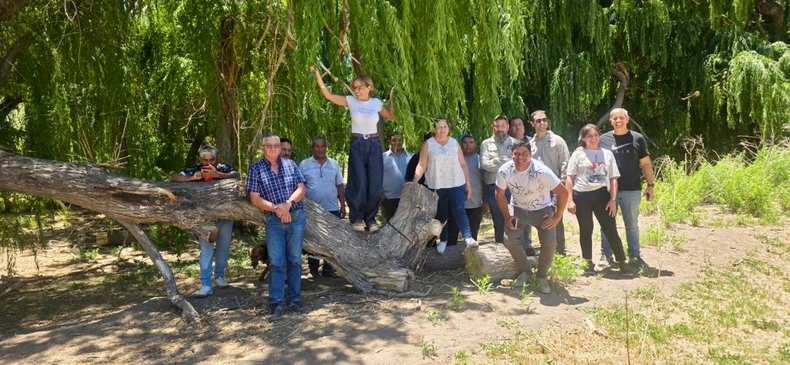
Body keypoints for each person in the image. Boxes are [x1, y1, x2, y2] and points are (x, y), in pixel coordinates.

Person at [312, 67, 395, 233]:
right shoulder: (351, 101)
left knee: (374, 182)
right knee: (359, 181)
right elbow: (328, 96)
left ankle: (370, 219)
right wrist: (317, 76)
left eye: (359, 87)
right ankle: (357, 217)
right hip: (357, 143)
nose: (356, 90)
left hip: (374, 143)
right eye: (354, 87)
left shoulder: (376, 103)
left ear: (368, 87)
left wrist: (392, 98)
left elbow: (391, 116)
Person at [247, 134, 310, 322]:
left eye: (277, 145)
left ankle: (294, 300)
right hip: (274, 220)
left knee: (295, 260)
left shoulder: (291, 164)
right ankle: (275, 303)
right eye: (270, 146)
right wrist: (277, 208)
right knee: (276, 262)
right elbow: (254, 198)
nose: (274, 148)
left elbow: (301, 189)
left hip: (296, 217)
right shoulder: (256, 169)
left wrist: (287, 204)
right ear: (263, 148)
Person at [495, 141, 568, 294]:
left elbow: (563, 192)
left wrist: (556, 217)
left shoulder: (542, 171)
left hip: (542, 210)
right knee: (510, 240)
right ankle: (525, 272)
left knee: (549, 241)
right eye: (516, 153)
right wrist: (508, 216)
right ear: (511, 154)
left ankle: (541, 277)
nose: (520, 157)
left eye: (524, 154)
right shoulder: (504, 171)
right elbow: (499, 194)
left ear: (530, 154)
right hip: (519, 209)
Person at [170, 145, 239, 298]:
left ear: (217, 158)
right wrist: (191, 178)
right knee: (206, 250)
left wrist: (218, 175)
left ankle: (219, 276)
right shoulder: (195, 170)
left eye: (211, 159)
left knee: (223, 248)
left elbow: (237, 175)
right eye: (205, 160)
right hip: (204, 219)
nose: (208, 163)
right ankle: (206, 284)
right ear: (200, 159)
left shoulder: (224, 168)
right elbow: (174, 178)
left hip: (225, 216)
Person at [565, 124, 634, 276]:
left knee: (610, 229)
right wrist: (570, 200)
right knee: (586, 229)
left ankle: (622, 261)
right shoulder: (578, 154)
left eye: (595, 135)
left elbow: (613, 178)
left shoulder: (607, 154)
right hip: (581, 196)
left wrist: (613, 200)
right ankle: (588, 262)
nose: (593, 138)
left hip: (602, 195)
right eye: (589, 136)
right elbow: (570, 178)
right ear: (583, 138)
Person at [598, 108, 655, 268]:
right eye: (614, 118)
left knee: (632, 225)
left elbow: (645, 163)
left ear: (627, 119)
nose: (618, 120)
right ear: (610, 121)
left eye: (621, 117)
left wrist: (650, 185)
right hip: (608, 191)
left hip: (632, 189)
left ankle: (635, 256)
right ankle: (606, 255)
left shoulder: (637, 138)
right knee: (607, 225)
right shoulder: (603, 139)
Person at [412, 118, 478, 253]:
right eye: (439, 127)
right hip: (436, 184)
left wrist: (468, 184)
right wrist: (415, 179)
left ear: (449, 128)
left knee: (459, 210)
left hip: (456, 183)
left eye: (445, 126)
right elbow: (422, 165)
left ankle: (468, 237)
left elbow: (463, 164)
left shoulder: (454, 143)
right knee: (441, 214)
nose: (442, 129)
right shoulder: (428, 144)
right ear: (434, 129)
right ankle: (443, 239)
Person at [299, 136, 345, 278]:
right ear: (312, 148)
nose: (320, 149)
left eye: (322, 146)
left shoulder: (334, 164)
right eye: (317, 146)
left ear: (326, 147)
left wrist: (343, 205)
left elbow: (339, 185)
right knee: (314, 240)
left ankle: (328, 269)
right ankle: (313, 270)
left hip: (331, 208)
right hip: (312, 210)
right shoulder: (304, 164)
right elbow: (300, 186)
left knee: (331, 240)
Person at [529, 110, 571, 255]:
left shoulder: (558, 141)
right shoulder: (529, 144)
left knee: (554, 216)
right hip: (537, 188)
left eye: (544, 120)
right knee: (542, 218)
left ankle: (559, 251)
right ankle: (546, 248)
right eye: (538, 121)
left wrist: (563, 184)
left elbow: (565, 163)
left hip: (555, 187)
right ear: (532, 123)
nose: (542, 123)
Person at [480, 115, 516, 244]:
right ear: (492, 127)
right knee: (497, 219)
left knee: (513, 216)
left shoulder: (515, 143)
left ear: (507, 127)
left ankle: (514, 247)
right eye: (497, 126)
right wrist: (506, 160)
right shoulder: (486, 144)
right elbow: (484, 164)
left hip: (511, 187)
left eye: (502, 126)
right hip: (492, 187)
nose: (500, 129)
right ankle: (500, 246)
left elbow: (516, 165)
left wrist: (494, 161)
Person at [447, 133, 484, 245]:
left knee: (472, 236)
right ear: (460, 145)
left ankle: (472, 260)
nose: (468, 145)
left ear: (475, 144)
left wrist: (485, 201)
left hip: (475, 204)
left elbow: (485, 181)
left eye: (471, 142)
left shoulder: (480, 160)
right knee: (452, 236)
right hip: (456, 204)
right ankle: (450, 260)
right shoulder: (453, 159)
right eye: (465, 142)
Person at [381, 133, 412, 221]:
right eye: (394, 140)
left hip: (407, 198)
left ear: (402, 142)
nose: (397, 143)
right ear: (390, 142)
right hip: (389, 198)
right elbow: (376, 177)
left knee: (406, 224)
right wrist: (380, 193)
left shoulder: (410, 156)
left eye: (399, 140)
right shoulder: (383, 157)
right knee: (391, 225)